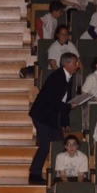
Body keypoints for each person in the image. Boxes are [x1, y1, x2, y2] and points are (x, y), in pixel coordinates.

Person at [28, 53, 81, 185]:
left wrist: (65, 122)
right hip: (43, 116)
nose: (77, 65)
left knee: (59, 143)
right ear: (67, 64)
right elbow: (55, 102)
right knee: (45, 145)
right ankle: (34, 175)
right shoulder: (57, 77)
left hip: (52, 117)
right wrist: (69, 107)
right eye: (75, 63)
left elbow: (63, 101)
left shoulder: (68, 77)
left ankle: (60, 175)